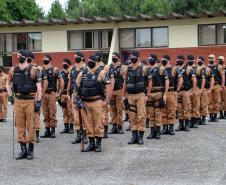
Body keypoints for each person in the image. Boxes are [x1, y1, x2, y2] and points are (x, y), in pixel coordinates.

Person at [6, 50, 42, 160]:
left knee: (31, 125)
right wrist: (10, 96)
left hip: (30, 100)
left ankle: (30, 150)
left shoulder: (34, 70)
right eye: (18, 55)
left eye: (20, 55)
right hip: (18, 100)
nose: (18, 57)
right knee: (19, 125)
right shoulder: (13, 70)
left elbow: (39, 87)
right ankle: (23, 150)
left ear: (26, 57)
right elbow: (8, 84)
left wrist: (38, 102)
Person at [76, 55, 111, 152]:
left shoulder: (101, 72)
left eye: (92, 60)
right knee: (88, 124)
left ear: (96, 62)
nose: (90, 61)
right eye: (89, 60)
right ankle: (91, 143)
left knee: (98, 123)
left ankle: (98, 144)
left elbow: (108, 87)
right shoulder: (82, 73)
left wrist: (106, 101)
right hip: (86, 102)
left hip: (97, 101)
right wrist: (77, 98)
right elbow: (76, 87)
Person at [123, 50, 150, 145]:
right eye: (131, 56)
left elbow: (149, 82)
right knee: (132, 116)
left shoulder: (144, 68)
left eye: (133, 56)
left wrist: (147, 95)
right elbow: (125, 82)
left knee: (141, 116)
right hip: (130, 95)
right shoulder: (127, 69)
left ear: (138, 58)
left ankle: (140, 137)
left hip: (140, 95)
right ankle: (134, 136)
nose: (131, 58)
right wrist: (124, 95)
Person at [41, 54, 64, 138]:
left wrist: (59, 93)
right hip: (44, 94)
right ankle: (47, 130)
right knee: (45, 112)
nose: (44, 59)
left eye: (45, 58)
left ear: (50, 60)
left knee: (52, 112)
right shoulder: (41, 69)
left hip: (52, 93)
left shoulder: (55, 70)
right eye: (43, 58)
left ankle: (53, 130)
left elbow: (61, 82)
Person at [146, 54, 169, 140]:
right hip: (149, 94)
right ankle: (152, 131)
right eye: (148, 59)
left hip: (158, 93)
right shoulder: (147, 69)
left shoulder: (162, 69)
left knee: (158, 113)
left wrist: (165, 94)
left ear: (155, 59)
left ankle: (158, 131)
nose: (149, 60)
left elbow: (167, 82)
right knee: (151, 113)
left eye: (150, 58)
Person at [27, 51, 48, 143]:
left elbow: (45, 81)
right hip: (25, 96)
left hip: (34, 94)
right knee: (27, 116)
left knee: (36, 115)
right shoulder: (22, 68)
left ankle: (37, 135)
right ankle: (30, 134)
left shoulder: (38, 68)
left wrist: (41, 94)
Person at [161, 55, 183, 135]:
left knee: (171, 110)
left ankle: (171, 128)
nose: (163, 61)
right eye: (162, 59)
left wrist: (177, 90)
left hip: (171, 92)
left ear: (168, 60)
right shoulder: (160, 69)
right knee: (163, 110)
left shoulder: (174, 69)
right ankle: (164, 128)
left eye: (164, 59)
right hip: (162, 92)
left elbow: (180, 80)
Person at [69, 51, 88, 144]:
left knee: (84, 115)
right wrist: (69, 91)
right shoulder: (72, 68)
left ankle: (85, 135)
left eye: (76, 56)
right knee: (76, 116)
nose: (75, 58)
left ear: (81, 57)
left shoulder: (86, 68)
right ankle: (78, 135)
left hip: (84, 94)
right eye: (74, 57)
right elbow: (70, 81)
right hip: (75, 94)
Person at [95, 51, 114, 138]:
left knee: (105, 113)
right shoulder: (93, 67)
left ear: (100, 58)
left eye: (97, 57)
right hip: (96, 93)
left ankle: (105, 130)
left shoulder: (106, 67)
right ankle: (98, 130)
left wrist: (108, 96)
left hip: (104, 92)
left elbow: (110, 82)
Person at [176, 55, 196, 131]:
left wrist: (192, 91)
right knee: (179, 108)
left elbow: (194, 80)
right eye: (177, 59)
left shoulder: (189, 68)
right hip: (178, 91)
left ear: (183, 60)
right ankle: (181, 125)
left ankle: (187, 124)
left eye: (179, 59)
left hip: (186, 91)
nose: (178, 61)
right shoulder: (176, 68)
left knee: (186, 107)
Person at [187, 54, 205, 128]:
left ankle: (196, 120)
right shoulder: (187, 68)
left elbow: (203, 79)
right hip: (188, 88)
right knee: (189, 105)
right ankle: (191, 119)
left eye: (191, 59)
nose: (189, 61)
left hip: (196, 88)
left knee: (196, 105)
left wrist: (201, 89)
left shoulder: (199, 68)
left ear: (194, 60)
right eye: (188, 59)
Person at [109, 52, 124, 135]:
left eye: (114, 56)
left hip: (119, 90)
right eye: (112, 56)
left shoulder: (122, 67)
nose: (113, 58)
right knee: (112, 109)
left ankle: (120, 126)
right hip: (111, 91)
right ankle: (114, 126)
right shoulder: (109, 67)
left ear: (118, 58)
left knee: (119, 109)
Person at [207, 54, 225, 122]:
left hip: (216, 85)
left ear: (214, 59)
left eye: (211, 58)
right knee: (209, 101)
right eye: (209, 58)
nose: (210, 59)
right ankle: (211, 115)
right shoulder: (207, 67)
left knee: (217, 101)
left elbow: (223, 76)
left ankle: (215, 116)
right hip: (209, 86)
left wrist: (222, 86)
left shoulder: (219, 66)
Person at [197, 56, 214, 125]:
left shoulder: (208, 69)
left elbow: (212, 79)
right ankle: (198, 118)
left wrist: (210, 89)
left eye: (199, 60)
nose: (198, 62)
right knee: (197, 104)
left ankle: (203, 118)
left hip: (204, 89)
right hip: (197, 89)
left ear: (203, 61)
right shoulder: (196, 68)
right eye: (197, 60)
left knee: (204, 103)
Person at [59, 58, 74, 134]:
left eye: (65, 63)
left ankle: (71, 128)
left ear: (69, 64)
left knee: (70, 111)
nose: (63, 64)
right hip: (62, 95)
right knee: (64, 111)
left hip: (69, 95)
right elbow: (58, 84)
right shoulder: (61, 72)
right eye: (63, 62)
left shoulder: (71, 72)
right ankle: (66, 127)